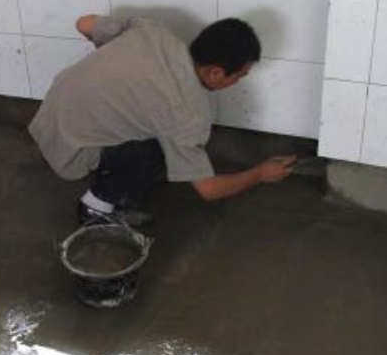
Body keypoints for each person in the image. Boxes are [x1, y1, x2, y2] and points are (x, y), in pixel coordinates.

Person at [29, 15, 295, 226]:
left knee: (162, 136)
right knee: (161, 150)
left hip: (48, 116)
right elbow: (209, 189)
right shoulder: (186, 113)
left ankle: (116, 173)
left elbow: (83, 23)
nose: (238, 82)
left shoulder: (152, 31)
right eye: (239, 76)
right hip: (72, 150)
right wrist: (260, 174)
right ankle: (95, 207)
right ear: (215, 72)